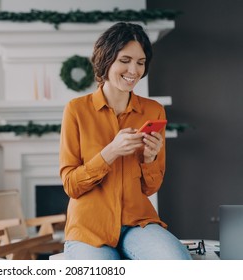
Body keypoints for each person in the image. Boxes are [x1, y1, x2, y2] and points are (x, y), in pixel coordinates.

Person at [59, 22, 191, 260]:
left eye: (140, 63)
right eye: (125, 60)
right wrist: (110, 152)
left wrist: (149, 159)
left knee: (178, 263)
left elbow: (150, 188)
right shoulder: (76, 110)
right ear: (106, 59)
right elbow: (71, 185)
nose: (134, 70)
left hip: (137, 223)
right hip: (89, 229)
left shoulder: (154, 111)